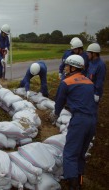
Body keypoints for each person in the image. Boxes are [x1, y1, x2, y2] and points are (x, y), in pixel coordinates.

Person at [51, 54, 97, 189]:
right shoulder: (89, 82)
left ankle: (73, 185)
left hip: (79, 121)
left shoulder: (66, 82)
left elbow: (59, 101)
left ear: (72, 67)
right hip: (92, 121)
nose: (65, 68)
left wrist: (55, 115)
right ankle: (80, 180)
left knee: (70, 153)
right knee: (81, 154)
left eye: (66, 66)